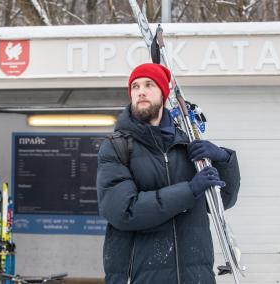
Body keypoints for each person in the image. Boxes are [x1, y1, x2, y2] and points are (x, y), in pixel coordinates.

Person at [96, 63, 240, 284]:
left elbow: (222, 202)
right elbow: (123, 211)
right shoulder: (117, 147)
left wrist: (223, 159)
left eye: (149, 85)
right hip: (139, 277)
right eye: (135, 86)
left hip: (195, 277)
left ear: (163, 93)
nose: (140, 91)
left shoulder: (188, 145)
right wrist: (189, 190)